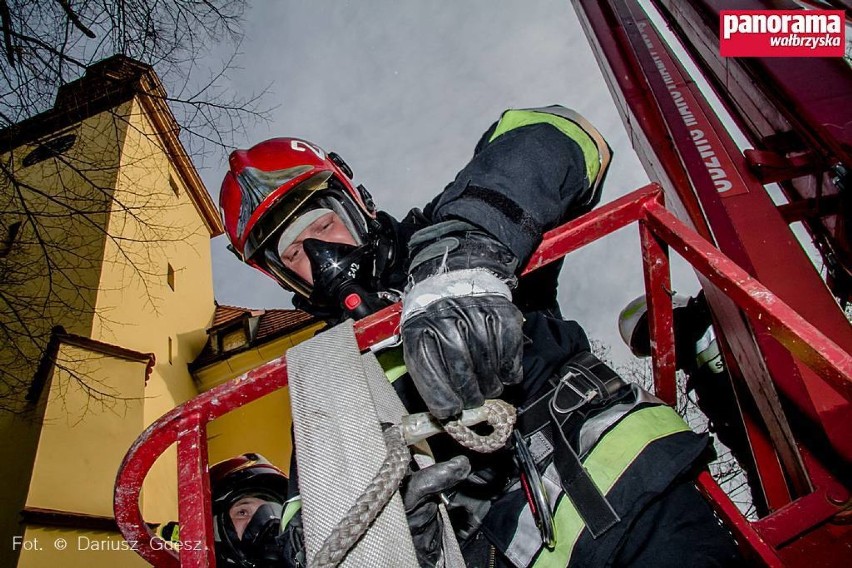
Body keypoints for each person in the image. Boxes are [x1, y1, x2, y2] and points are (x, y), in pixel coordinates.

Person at [219, 106, 742, 567]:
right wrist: (383, 534)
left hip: (634, 506)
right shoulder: (326, 381)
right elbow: (302, 524)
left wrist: (465, 255)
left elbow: (565, 133)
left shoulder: (457, 226)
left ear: (356, 208)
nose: (317, 258)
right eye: (292, 256)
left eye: (321, 227)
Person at [618, 291, 766, 514]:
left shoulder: (717, 304)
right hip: (771, 450)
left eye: (653, 331)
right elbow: (743, 444)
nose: (658, 347)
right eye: (649, 346)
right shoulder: (700, 380)